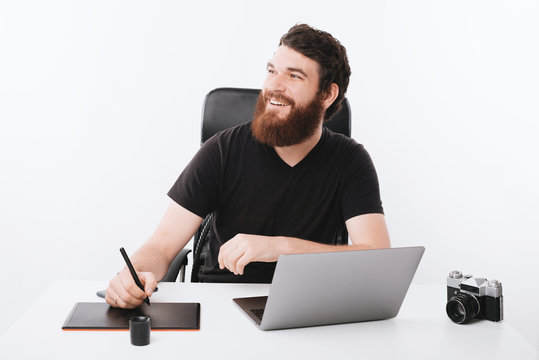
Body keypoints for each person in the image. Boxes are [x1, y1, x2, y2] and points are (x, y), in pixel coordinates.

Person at [106, 24, 391, 309]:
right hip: (221, 303)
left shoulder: (351, 160)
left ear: (327, 95)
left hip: (308, 305)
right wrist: (134, 274)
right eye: (271, 71)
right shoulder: (221, 150)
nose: (273, 86)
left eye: (294, 75)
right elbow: (160, 246)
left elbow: (378, 261)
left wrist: (282, 248)